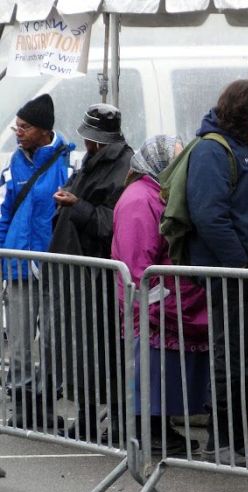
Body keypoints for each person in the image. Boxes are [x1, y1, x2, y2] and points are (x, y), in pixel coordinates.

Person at [186, 80, 248, 467]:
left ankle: (235, 444)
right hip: (235, 277)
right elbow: (209, 216)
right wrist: (242, 266)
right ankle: (221, 443)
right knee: (231, 360)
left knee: (244, 361)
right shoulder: (214, 150)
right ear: (245, 110)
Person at [112, 134, 209, 456]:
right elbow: (135, 260)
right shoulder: (141, 199)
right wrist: (157, 302)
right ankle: (151, 430)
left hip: (163, 301)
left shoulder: (155, 193)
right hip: (155, 305)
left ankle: (158, 427)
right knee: (150, 372)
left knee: (159, 374)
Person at [45, 103, 133, 441]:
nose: (87, 144)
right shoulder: (92, 163)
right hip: (75, 270)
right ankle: (85, 418)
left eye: (90, 139)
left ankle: (116, 422)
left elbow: (112, 223)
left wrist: (75, 205)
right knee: (78, 350)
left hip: (97, 276)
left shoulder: (121, 167)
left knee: (102, 352)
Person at [0, 94, 74, 428]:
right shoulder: (12, 164)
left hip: (53, 265)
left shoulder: (68, 164)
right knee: (18, 341)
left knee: (54, 340)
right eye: (17, 126)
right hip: (17, 264)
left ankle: (44, 404)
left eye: (25, 127)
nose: (18, 132)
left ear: (44, 130)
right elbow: (3, 213)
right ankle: (21, 403)